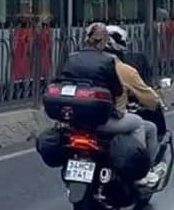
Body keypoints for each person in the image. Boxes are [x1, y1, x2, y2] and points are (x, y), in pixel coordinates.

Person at [59, 22, 160, 188]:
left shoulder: (72, 59)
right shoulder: (109, 63)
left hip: (76, 120)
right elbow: (117, 90)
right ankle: (138, 172)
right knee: (138, 123)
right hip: (102, 120)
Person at [107, 25, 168, 140]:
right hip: (110, 118)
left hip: (82, 118)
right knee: (147, 126)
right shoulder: (124, 69)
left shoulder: (81, 64)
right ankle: (140, 151)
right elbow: (150, 99)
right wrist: (157, 103)